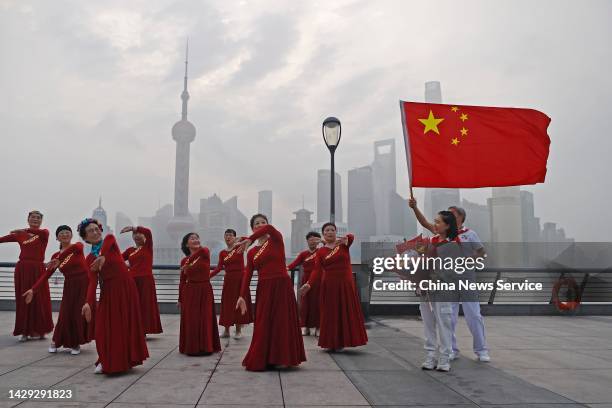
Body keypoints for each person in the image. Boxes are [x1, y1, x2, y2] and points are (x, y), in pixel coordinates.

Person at [410, 197, 490, 362]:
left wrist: (467, 260)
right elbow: (425, 223)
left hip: (466, 280)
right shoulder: (441, 234)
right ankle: (452, 349)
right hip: (447, 282)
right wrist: (414, 207)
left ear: (460, 218)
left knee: (474, 315)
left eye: (452, 215)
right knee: (449, 318)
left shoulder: (470, 234)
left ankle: (481, 350)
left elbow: (482, 253)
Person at [234, 214, 306, 371]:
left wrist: (250, 238)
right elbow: (247, 274)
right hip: (264, 288)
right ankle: (265, 358)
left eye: (262, 223)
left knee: (282, 321)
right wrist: (241, 295)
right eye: (256, 224)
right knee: (263, 322)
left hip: (282, 286)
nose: (260, 225)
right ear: (252, 228)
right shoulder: (252, 252)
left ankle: (282, 357)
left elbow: (269, 229)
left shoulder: (276, 239)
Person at [79, 218, 149, 374]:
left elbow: (107, 243)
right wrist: (87, 303)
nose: (95, 232)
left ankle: (124, 359)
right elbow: (92, 283)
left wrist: (103, 257)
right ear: (85, 238)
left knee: (124, 324)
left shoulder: (109, 241)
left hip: (125, 288)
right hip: (108, 291)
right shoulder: (89, 259)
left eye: (97, 229)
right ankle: (105, 359)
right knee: (102, 327)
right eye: (90, 231)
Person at [23, 225, 93, 354]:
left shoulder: (77, 247)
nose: (65, 235)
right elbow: (46, 275)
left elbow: (76, 248)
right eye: (61, 233)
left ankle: (75, 343)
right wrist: (33, 289)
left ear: (71, 235)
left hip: (84, 283)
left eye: (67, 232)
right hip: (70, 285)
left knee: (78, 314)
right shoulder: (55, 256)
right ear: (57, 238)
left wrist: (58, 259)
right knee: (65, 313)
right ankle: (56, 341)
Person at [299, 223, 368, 351]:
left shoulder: (343, 245)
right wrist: (309, 284)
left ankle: (344, 340)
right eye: (327, 230)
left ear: (336, 232)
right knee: (331, 314)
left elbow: (351, 236)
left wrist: (342, 239)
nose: (330, 232)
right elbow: (317, 270)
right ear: (323, 233)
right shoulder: (321, 252)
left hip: (345, 284)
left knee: (345, 312)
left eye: (332, 230)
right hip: (329, 285)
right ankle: (332, 342)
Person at [410, 208, 461, 372]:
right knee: (428, 323)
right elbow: (420, 262)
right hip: (426, 290)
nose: (435, 224)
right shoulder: (430, 242)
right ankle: (431, 356)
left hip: (442, 290)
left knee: (444, 323)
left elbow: (449, 271)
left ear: (447, 226)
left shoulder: (452, 246)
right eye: (436, 221)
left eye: (438, 222)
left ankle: (445, 358)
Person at [0, 210, 53, 341]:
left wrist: (22, 230)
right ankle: (24, 331)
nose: (35, 219)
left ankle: (41, 330)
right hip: (23, 269)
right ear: (28, 219)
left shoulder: (43, 234)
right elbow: (2, 240)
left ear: (41, 221)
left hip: (38, 269)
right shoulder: (20, 235)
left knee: (39, 299)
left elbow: (40, 232)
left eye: (38, 218)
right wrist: (21, 232)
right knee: (23, 299)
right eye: (33, 217)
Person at [178, 232, 221, 355]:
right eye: (192, 238)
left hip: (205, 289)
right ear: (187, 244)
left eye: (197, 238)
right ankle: (192, 348)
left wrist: (188, 263)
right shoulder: (183, 261)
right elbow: (182, 281)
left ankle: (206, 347)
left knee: (205, 318)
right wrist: (180, 298)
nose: (196, 240)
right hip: (190, 291)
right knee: (192, 320)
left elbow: (203, 251)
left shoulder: (204, 253)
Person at [121, 226, 163, 335]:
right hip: (132, 281)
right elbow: (118, 260)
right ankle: (134, 329)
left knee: (144, 305)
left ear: (144, 236)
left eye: (139, 233)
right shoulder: (130, 250)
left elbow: (148, 231)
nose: (137, 235)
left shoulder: (147, 247)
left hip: (146, 281)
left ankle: (143, 330)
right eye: (134, 234)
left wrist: (133, 228)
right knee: (133, 305)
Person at [211, 229, 253, 339]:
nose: (228, 237)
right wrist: (208, 276)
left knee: (238, 304)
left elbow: (248, 239)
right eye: (226, 235)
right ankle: (226, 330)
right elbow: (219, 267)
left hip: (240, 279)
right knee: (227, 304)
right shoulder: (222, 253)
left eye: (230, 235)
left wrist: (239, 239)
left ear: (234, 237)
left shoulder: (239, 247)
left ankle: (238, 331)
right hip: (228, 280)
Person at [288, 231, 322, 336]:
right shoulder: (303, 254)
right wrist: (285, 268)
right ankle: (305, 327)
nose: (312, 241)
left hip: (319, 281)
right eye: (310, 239)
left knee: (318, 304)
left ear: (319, 241)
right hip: (305, 281)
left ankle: (318, 327)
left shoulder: (322, 252)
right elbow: (293, 264)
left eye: (315, 239)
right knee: (305, 305)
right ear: (307, 241)